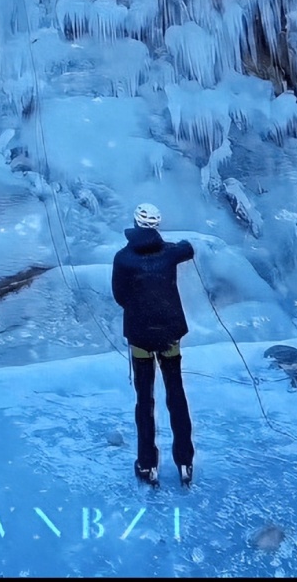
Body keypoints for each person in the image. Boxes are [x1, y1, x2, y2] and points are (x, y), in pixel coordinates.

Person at [111, 202, 196, 487]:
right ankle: (184, 461)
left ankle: (148, 465)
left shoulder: (122, 259)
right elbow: (188, 248)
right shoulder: (170, 253)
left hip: (140, 338)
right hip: (170, 334)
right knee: (176, 395)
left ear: (135, 224)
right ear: (157, 225)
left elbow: (120, 296)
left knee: (144, 401)